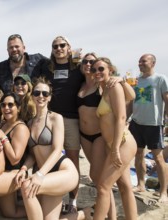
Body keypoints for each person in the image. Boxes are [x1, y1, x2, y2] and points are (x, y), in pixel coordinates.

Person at [15, 77, 88, 220]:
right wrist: (23, 169)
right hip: (46, 176)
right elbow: (33, 155)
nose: (40, 96)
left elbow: (57, 150)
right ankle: (83, 214)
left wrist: (40, 175)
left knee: (26, 187)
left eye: (44, 94)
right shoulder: (30, 123)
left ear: (49, 97)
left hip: (63, 171)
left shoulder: (56, 118)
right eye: (37, 93)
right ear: (32, 95)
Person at [77, 53, 135, 219]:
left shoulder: (113, 87)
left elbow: (122, 117)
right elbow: (131, 96)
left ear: (110, 70)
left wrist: (115, 148)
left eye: (101, 68)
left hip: (122, 142)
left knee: (103, 187)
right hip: (113, 144)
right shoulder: (105, 89)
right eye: (94, 69)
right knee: (124, 187)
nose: (97, 71)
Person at [32, 36, 84, 212]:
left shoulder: (78, 66)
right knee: (47, 156)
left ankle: (73, 201)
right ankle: (54, 194)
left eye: (62, 45)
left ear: (69, 47)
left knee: (72, 158)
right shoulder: (47, 68)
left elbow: (96, 74)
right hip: (50, 117)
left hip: (70, 118)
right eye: (55, 46)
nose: (59, 48)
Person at [129, 53, 168, 203]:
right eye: (139, 61)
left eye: (143, 61)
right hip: (137, 123)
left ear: (153, 63)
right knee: (138, 154)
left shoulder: (160, 79)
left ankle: (163, 192)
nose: (140, 64)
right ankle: (141, 184)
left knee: (158, 158)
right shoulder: (137, 81)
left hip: (154, 124)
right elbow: (133, 102)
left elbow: (166, 99)